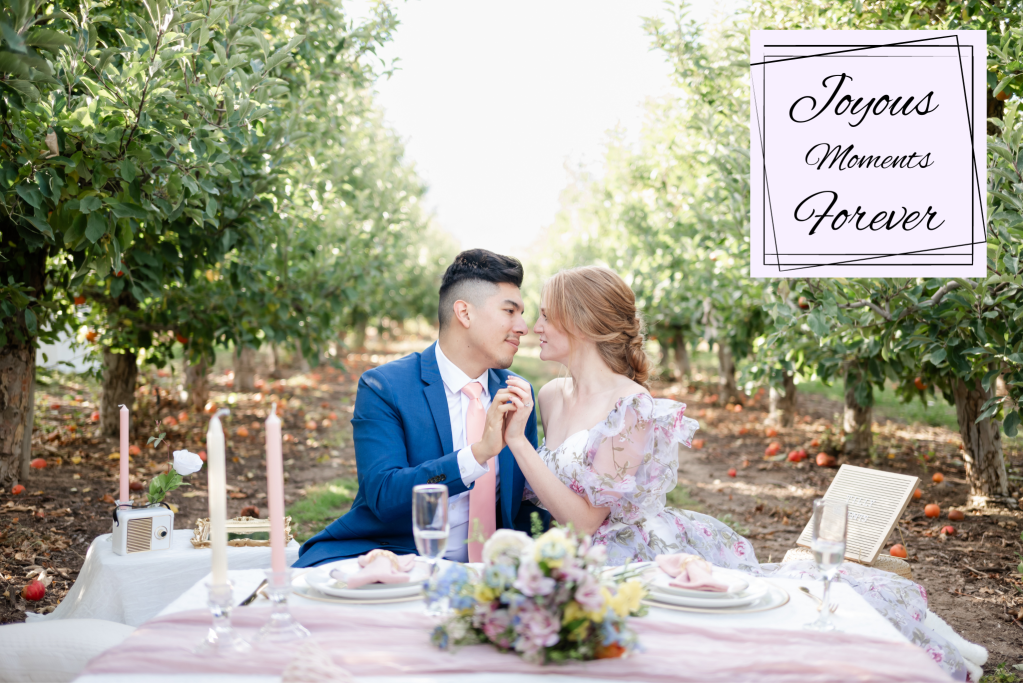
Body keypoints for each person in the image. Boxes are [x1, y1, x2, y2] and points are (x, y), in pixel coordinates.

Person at [496, 265, 970, 681]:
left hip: (633, 552)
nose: (533, 326)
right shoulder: (553, 394)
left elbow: (585, 521)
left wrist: (517, 442)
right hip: (573, 555)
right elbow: (549, 488)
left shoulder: (633, 408)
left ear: (580, 322)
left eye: (543, 314)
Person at [293, 249, 550, 568]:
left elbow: (523, 505)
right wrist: (477, 454)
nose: (523, 326)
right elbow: (385, 495)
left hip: (491, 575)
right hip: (395, 557)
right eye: (510, 311)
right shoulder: (384, 387)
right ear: (465, 314)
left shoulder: (516, 393)